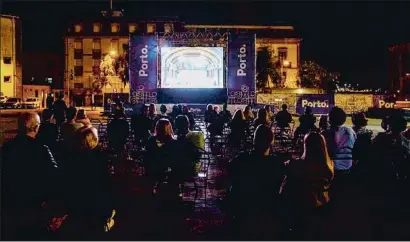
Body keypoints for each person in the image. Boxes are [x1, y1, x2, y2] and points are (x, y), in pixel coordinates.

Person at [1, 112, 58, 240]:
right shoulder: (42, 149)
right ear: (37, 128)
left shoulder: (6, 148)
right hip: (34, 204)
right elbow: (54, 175)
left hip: (11, 203)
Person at [225, 125, 284, 239]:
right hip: (268, 208)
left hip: (244, 206)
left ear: (254, 140)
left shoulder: (241, 160)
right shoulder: (276, 163)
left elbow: (231, 176)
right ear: (271, 142)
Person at [60, 127, 115, 239]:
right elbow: (105, 189)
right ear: (93, 140)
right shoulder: (100, 161)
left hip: (74, 207)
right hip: (93, 208)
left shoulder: (70, 159)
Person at [281, 132, 334, 239]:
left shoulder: (296, 164)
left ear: (306, 146)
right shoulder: (329, 165)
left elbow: (284, 190)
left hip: (300, 207)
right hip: (321, 206)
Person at [321, 107, 356, 198]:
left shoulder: (325, 133)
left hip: (332, 169)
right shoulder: (351, 131)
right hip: (348, 166)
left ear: (330, 119)